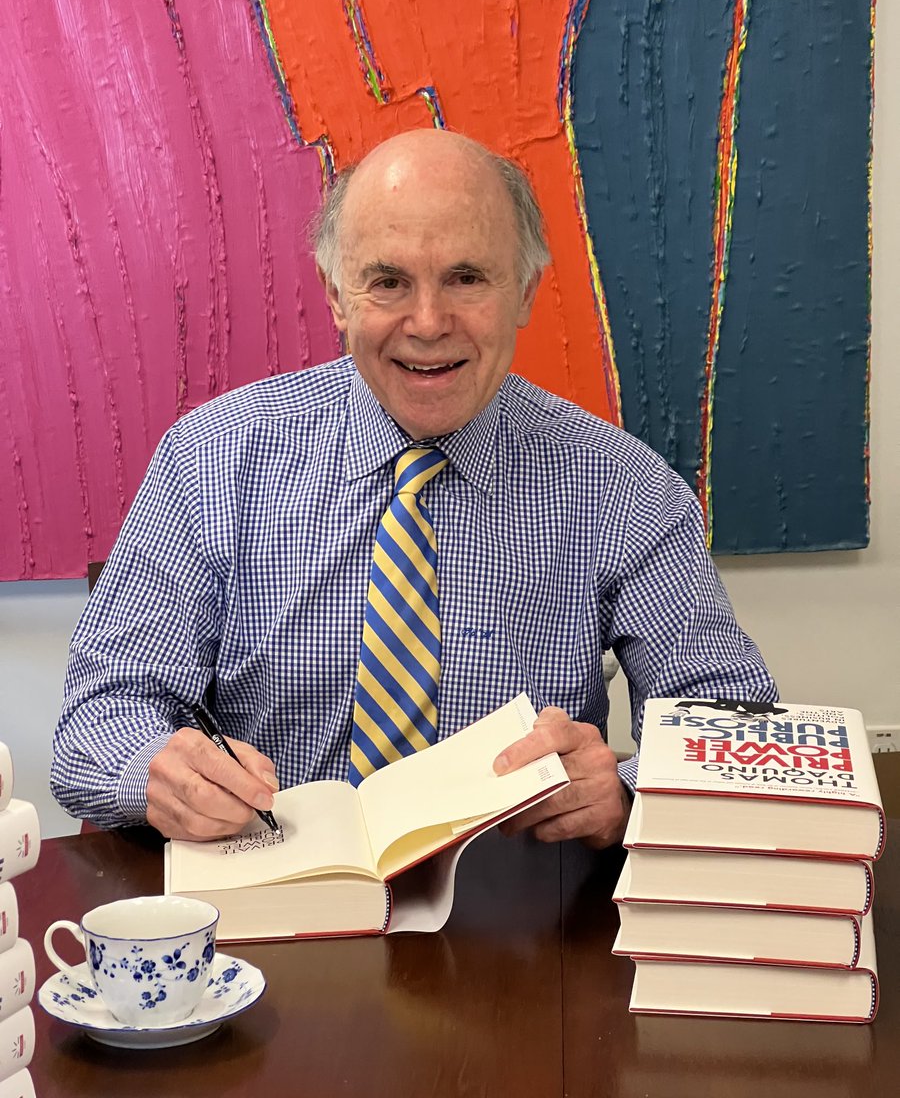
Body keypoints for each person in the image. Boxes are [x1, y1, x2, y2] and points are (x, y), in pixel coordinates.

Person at [51, 129, 778, 844]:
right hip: (270, 904)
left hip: (519, 918)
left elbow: (732, 726)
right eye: (388, 282)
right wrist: (160, 772)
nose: (428, 323)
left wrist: (622, 790)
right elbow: (97, 717)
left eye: (466, 278)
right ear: (338, 296)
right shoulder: (209, 460)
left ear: (524, 292)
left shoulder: (624, 486)